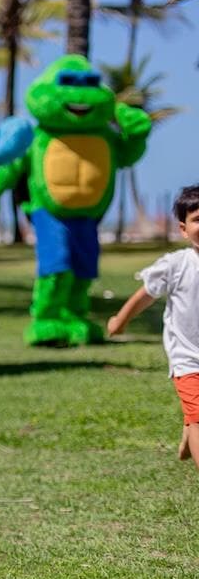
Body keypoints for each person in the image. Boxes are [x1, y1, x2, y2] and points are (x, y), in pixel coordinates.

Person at [107, 184, 199, 470]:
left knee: (195, 415)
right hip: (188, 358)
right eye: (198, 219)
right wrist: (120, 321)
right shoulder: (176, 265)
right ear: (183, 229)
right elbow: (145, 294)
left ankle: (189, 433)